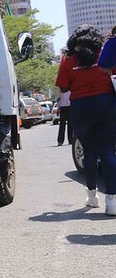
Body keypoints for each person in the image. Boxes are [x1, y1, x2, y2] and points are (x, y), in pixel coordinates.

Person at [55, 25, 116, 215]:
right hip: (106, 104)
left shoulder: (68, 59)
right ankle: (112, 202)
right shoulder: (103, 52)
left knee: (89, 151)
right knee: (107, 151)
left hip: (80, 108)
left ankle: (92, 197)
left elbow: (63, 87)